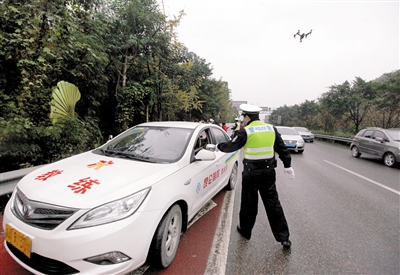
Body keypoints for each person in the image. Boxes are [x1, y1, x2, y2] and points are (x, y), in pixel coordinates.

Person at [216, 104, 295, 249]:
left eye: (243, 117)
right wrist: (287, 165)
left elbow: (230, 146)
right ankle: (284, 238)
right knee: (273, 204)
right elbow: (282, 148)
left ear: (247, 117)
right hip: (268, 172)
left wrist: (217, 146)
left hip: (251, 173)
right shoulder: (271, 129)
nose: (242, 120)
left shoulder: (246, 131)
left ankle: (245, 231)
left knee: (249, 204)